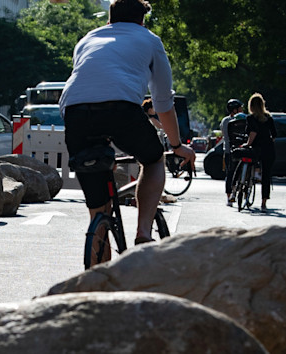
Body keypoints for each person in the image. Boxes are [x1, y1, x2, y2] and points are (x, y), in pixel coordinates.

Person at [59, 0, 196, 245]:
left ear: (109, 19)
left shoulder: (86, 39)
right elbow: (163, 102)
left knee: (97, 199)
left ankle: (98, 243)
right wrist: (176, 145)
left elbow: (87, 84)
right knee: (153, 160)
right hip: (121, 109)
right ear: (142, 20)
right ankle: (143, 232)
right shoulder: (150, 40)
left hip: (75, 112)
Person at [241, 93, 276, 212]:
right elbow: (274, 135)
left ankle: (246, 189)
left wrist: (248, 144)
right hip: (269, 149)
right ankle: (264, 202)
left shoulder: (250, 118)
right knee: (266, 175)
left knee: (249, 165)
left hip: (256, 149)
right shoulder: (268, 118)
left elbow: (252, 133)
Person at [220, 98, 246, 206]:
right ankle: (232, 194)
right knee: (232, 172)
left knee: (230, 173)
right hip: (234, 149)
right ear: (234, 109)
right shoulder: (238, 120)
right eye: (240, 108)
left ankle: (229, 196)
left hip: (228, 150)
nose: (242, 109)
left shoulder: (225, 121)